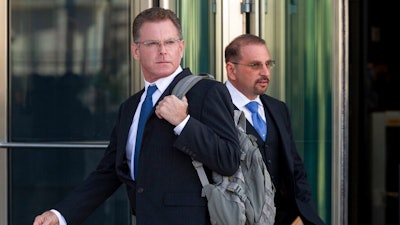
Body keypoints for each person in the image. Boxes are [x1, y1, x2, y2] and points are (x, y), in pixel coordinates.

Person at [33, 7, 241, 225]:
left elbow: (228, 160)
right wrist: (61, 214)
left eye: (170, 42)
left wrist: (184, 123)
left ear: (181, 47)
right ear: (135, 50)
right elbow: (108, 173)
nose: (163, 50)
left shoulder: (207, 92)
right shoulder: (130, 107)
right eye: (152, 43)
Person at [224, 34, 325, 225]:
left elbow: (295, 169)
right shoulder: (215, 109)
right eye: (255, 65)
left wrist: (304, 215)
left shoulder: (278, 108)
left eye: (268, 64)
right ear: (231, 70)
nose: (265, 72)